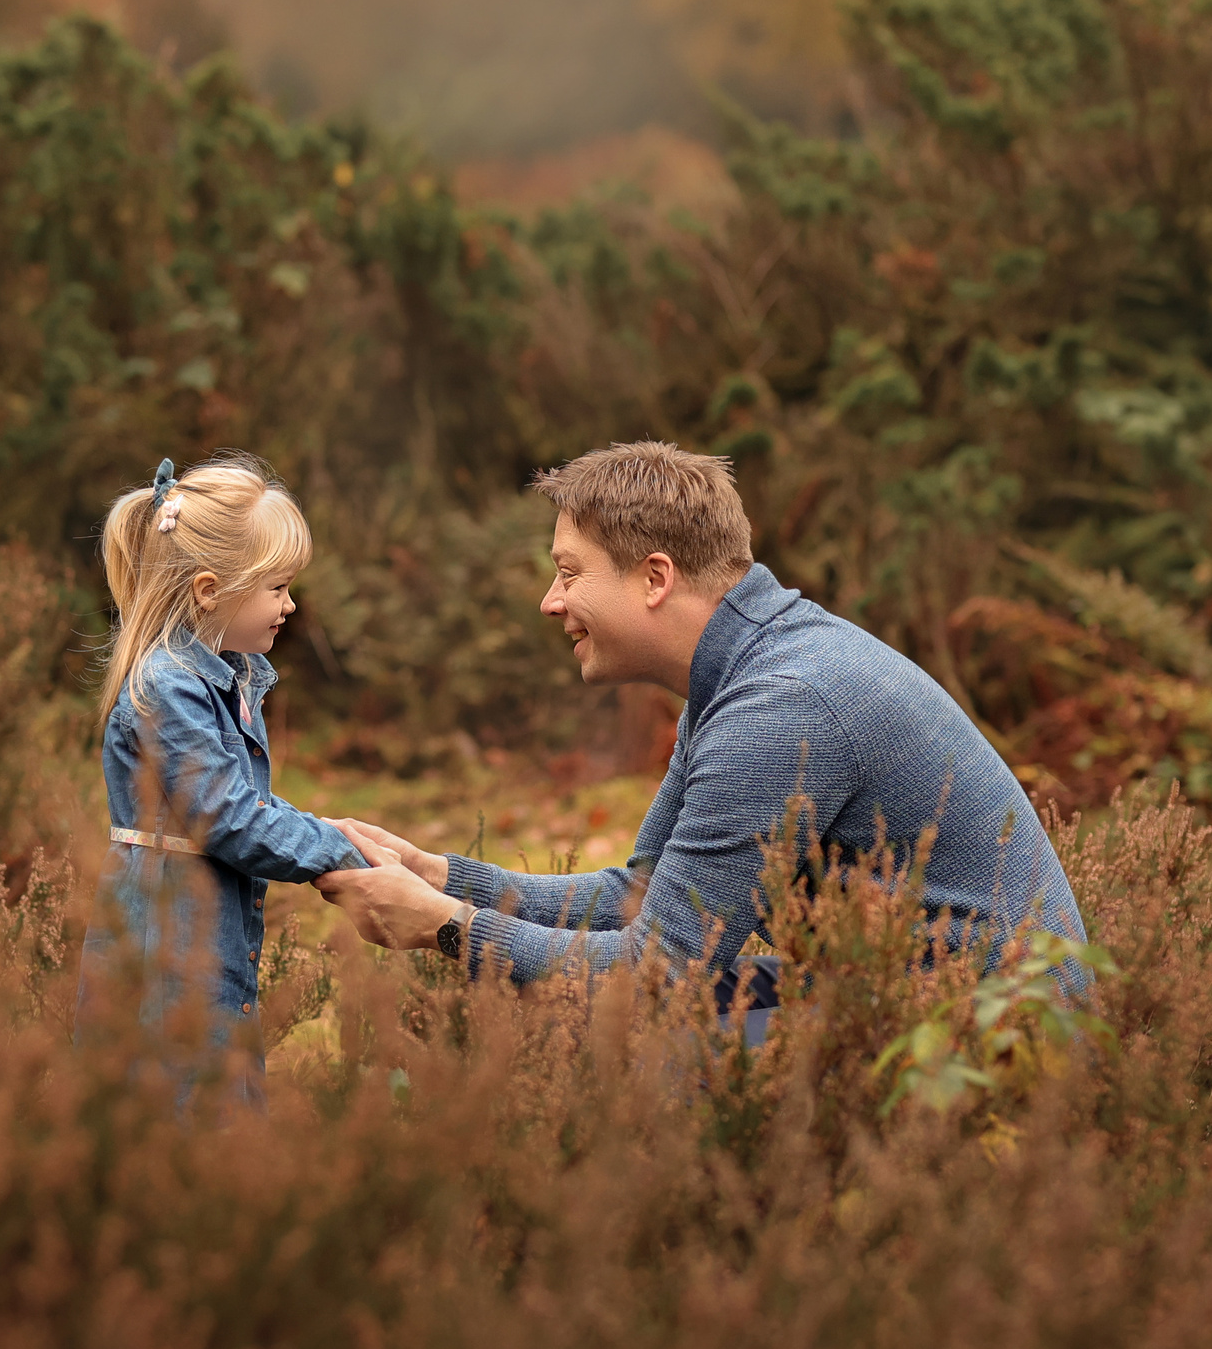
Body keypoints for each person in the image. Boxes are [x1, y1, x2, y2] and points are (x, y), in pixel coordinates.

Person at [318, 442, 1087, 1031]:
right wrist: (445, 877)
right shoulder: (744, 675)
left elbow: (655, 970)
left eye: (568, 571)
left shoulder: (783, 703)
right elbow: (639, 899)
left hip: (999, 1037)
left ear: (654, 579)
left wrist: (447, 929)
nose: (550, 602)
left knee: (634, 1036)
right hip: (927, 1007)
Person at [76, 455, 365, 1104]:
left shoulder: (218, 677)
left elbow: (237, 799)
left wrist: (323, 830)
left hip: (202, 913)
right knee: (184, 1093)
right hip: (170, 932)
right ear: (209, 590)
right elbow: (227, 818)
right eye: (278, 588)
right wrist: (335, 850)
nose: (290, 606)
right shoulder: (168, 687)